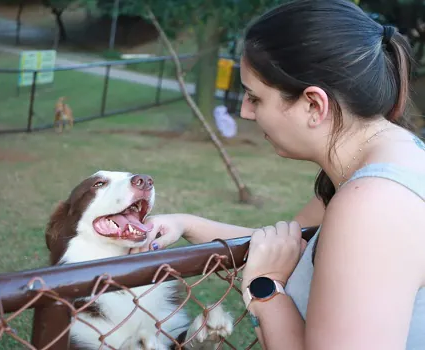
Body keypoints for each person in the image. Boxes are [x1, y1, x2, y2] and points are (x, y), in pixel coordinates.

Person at [130, 0, 425, 349]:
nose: (245, 112)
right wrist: (187, 224)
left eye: (255, 98)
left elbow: (274, 265)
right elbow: (283, 247)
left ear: (314, 105)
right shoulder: (389, 163)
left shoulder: (371, 205)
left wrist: (265, 289)